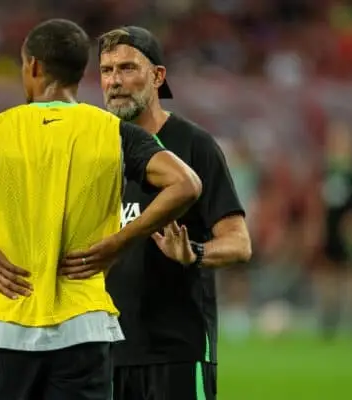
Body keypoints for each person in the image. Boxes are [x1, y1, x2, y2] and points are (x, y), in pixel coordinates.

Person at [0, 18, 202, 400]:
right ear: (82, 72)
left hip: (5, 323)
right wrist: (119, 242)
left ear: (32, 66)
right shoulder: (113, 132)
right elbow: (187, 184)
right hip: (84, 327)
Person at [95, 26, 252, 400]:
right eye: (106, 70)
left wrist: (195, 253)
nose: (115, 81)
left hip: (178, 351)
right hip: (104, 350)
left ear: (158, 76)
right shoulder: (94, 150)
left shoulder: (193, 145)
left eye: (128, 68)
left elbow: (239, 242)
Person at [316, 120, 352, 339]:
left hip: (349, 231)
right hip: (330, 229)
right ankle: (329, 321)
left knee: (351, 274)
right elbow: (319, 202)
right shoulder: (327, 170)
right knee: (328, 274)